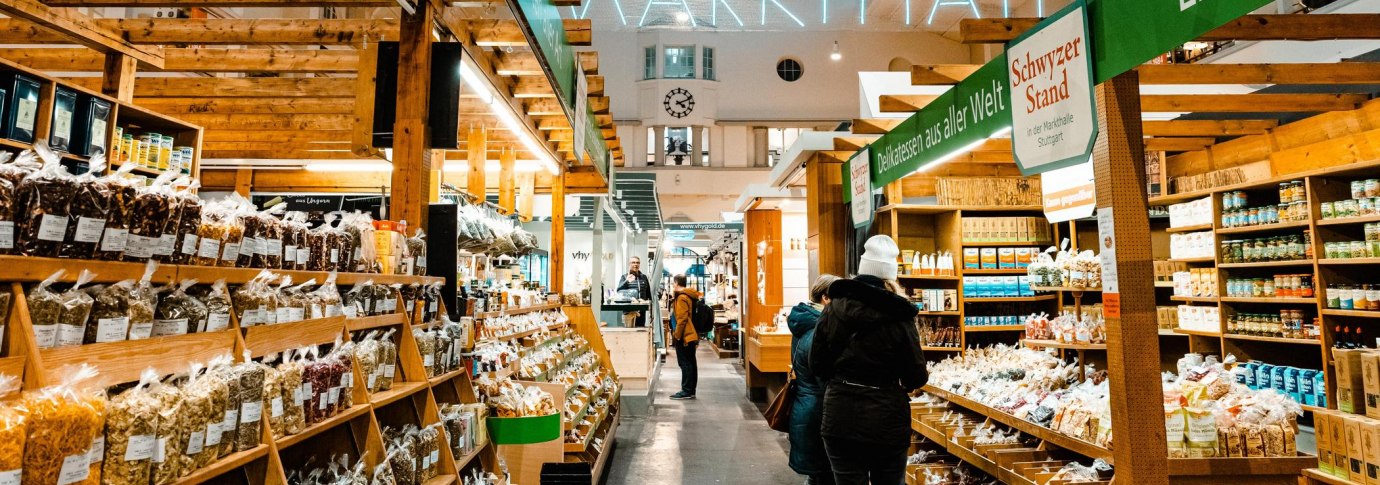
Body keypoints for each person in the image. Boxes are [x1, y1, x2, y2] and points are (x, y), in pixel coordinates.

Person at [810, 235, 926, 485]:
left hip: (840, 415)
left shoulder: (832, 309)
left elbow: (816, 364)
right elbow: (916, 375)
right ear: (890, 276)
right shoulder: (900, 316)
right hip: (887, 417)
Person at [788, 274, 841, 485]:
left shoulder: (806, 322)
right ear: (826, 298)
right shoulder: (817, 330)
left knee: (819, 475)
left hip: (808, 409)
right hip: (818, 412)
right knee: (824, 474)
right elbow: (824, 376)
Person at [669, 274, 701, 400]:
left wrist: (677, 335)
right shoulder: (689, 295)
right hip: (691, 334)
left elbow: (681, 319)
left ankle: (686, 390)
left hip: (685, 336)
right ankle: (691, 390)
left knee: (685, 363)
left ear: (676, 283)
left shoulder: (682, 297)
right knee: (691, 362)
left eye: (673, 283)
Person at [617, 256, 652, 327]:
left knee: (641, 331)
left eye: (637, 263)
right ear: (629, 264)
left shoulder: (644, 277)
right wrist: (626, 281)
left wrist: (650, 306)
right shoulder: (624, 277)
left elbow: (648, 293)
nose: (635, 264)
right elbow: (619, 290)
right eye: (633, 262)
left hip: (641, 310)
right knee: (629, 332)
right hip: (629, 311)